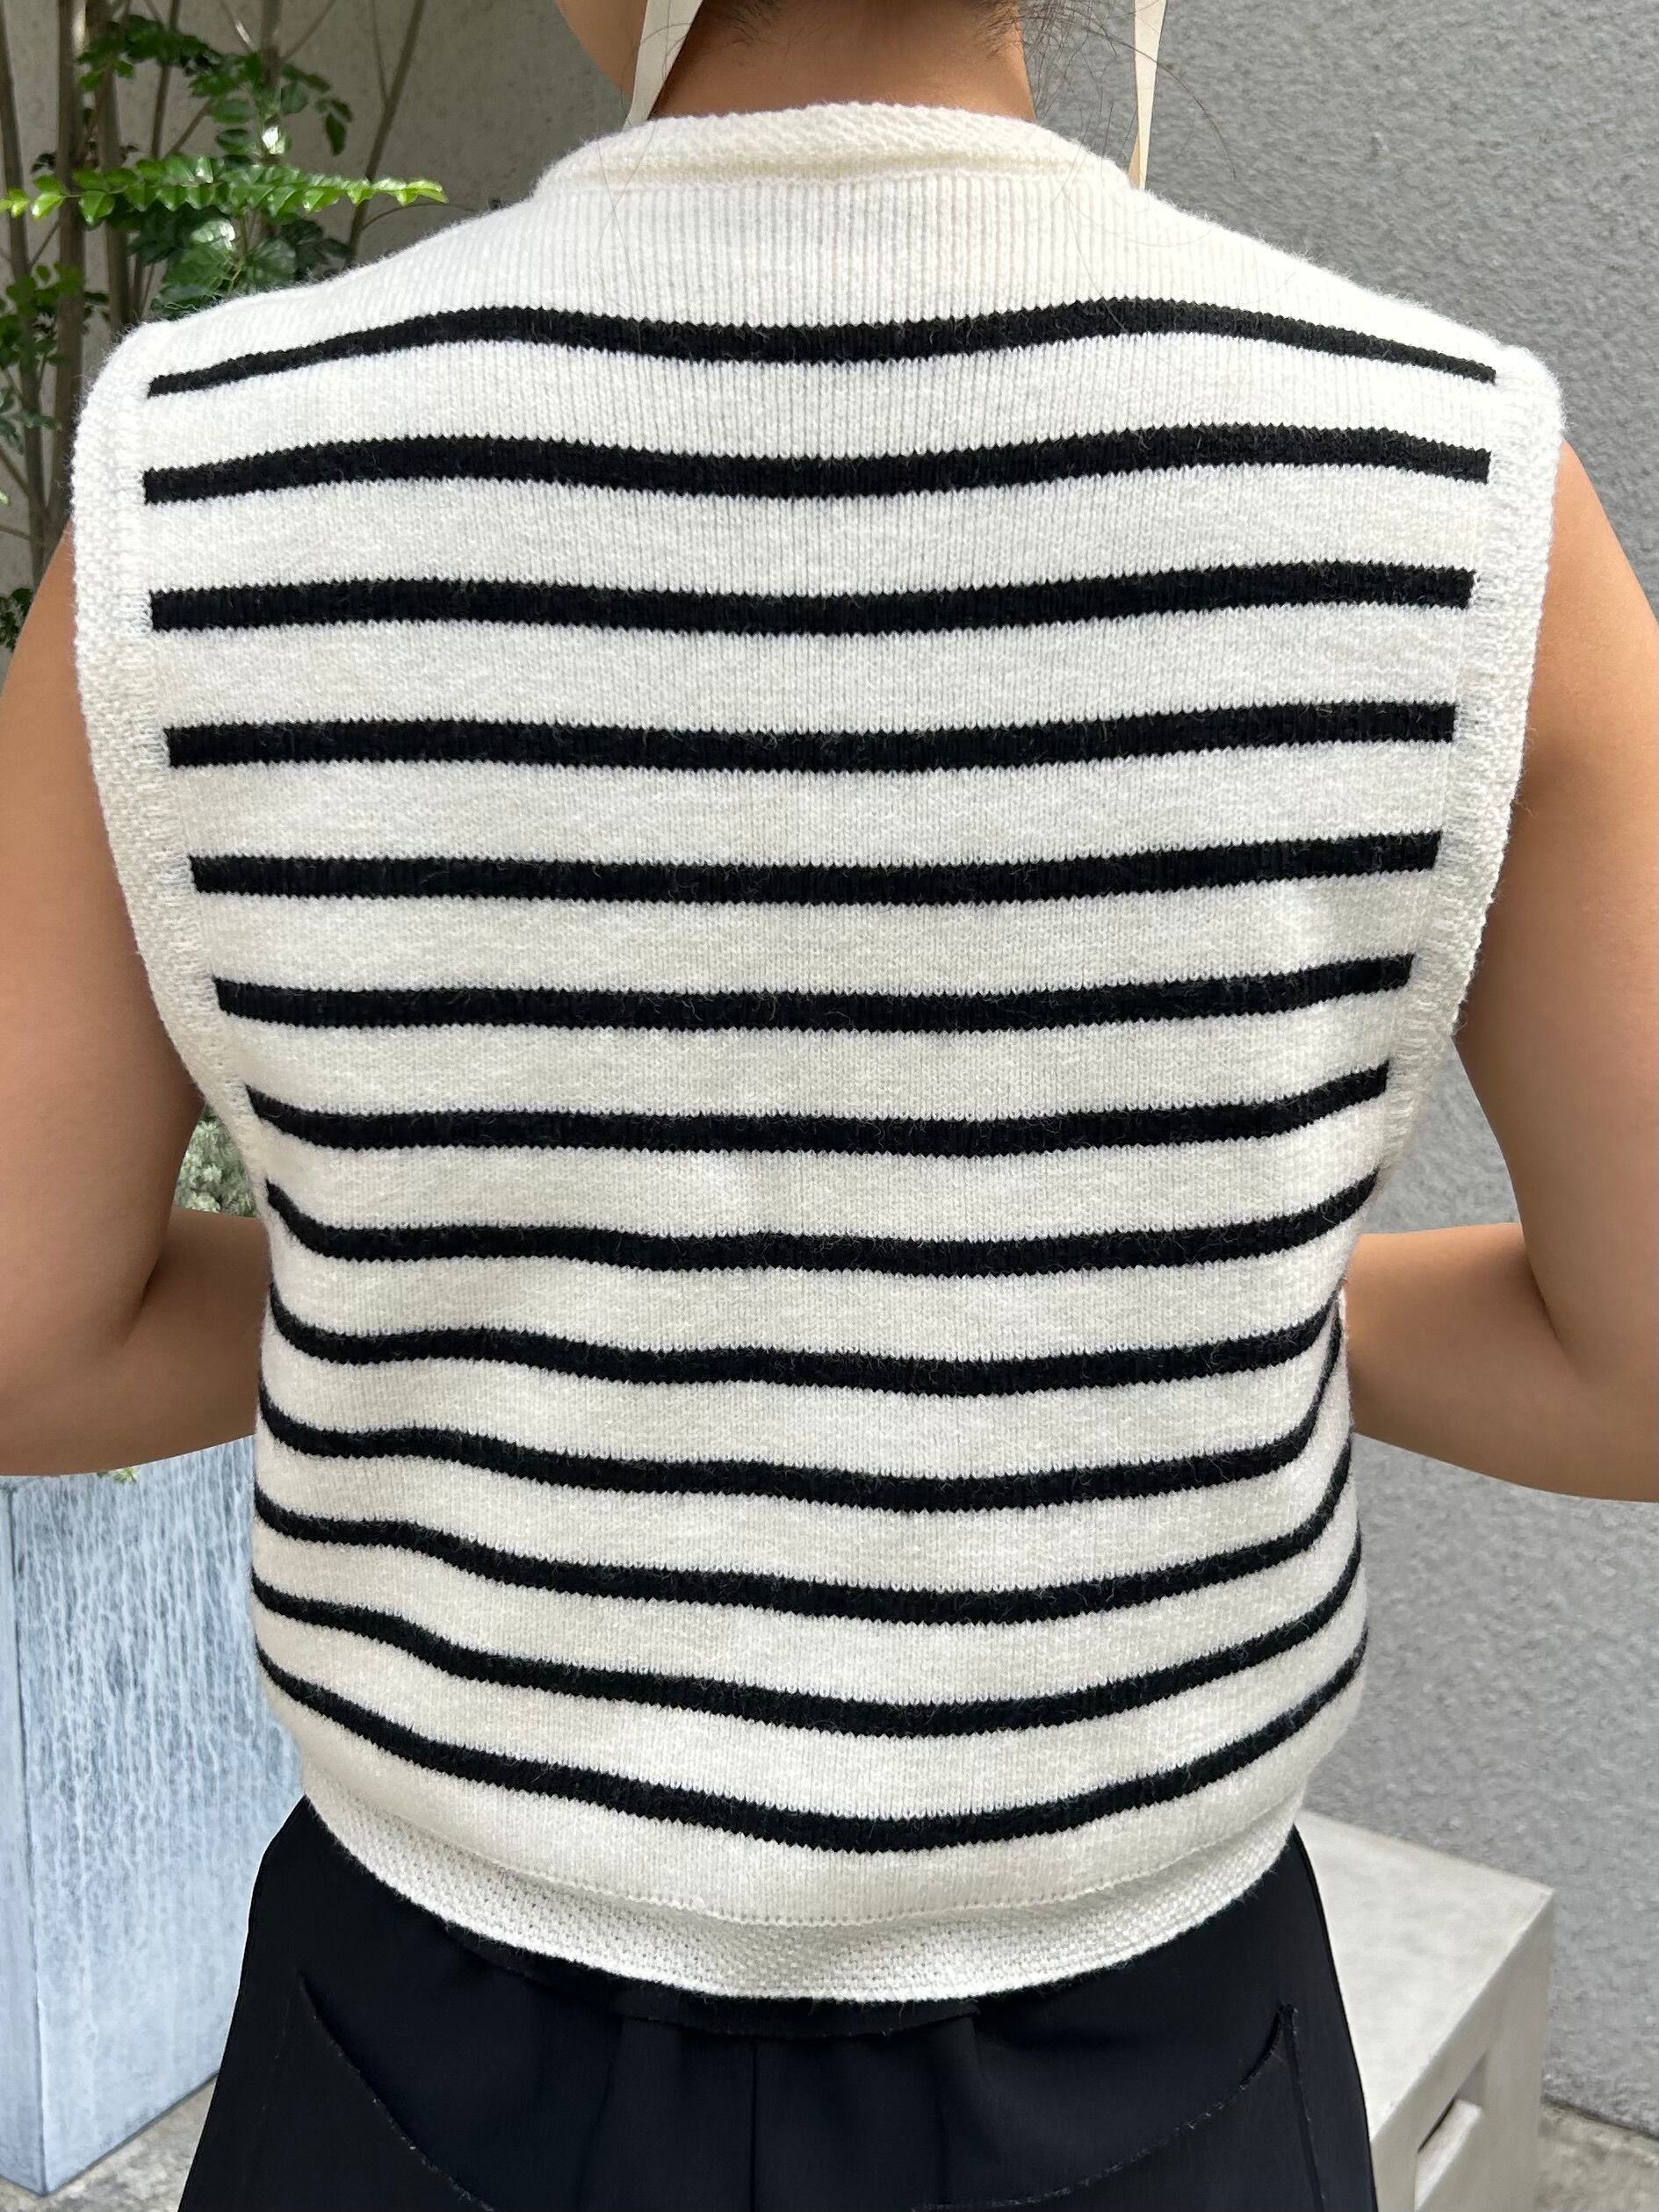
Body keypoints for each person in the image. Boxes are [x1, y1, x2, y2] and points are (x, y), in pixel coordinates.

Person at [0, 0, 1652, 2206]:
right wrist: (1153, 1302)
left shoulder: (198, 482)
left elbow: (28, 1337)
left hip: (425, 2055)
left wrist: (476, 1294)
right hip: (1145, 2065)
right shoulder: (1454, 489)